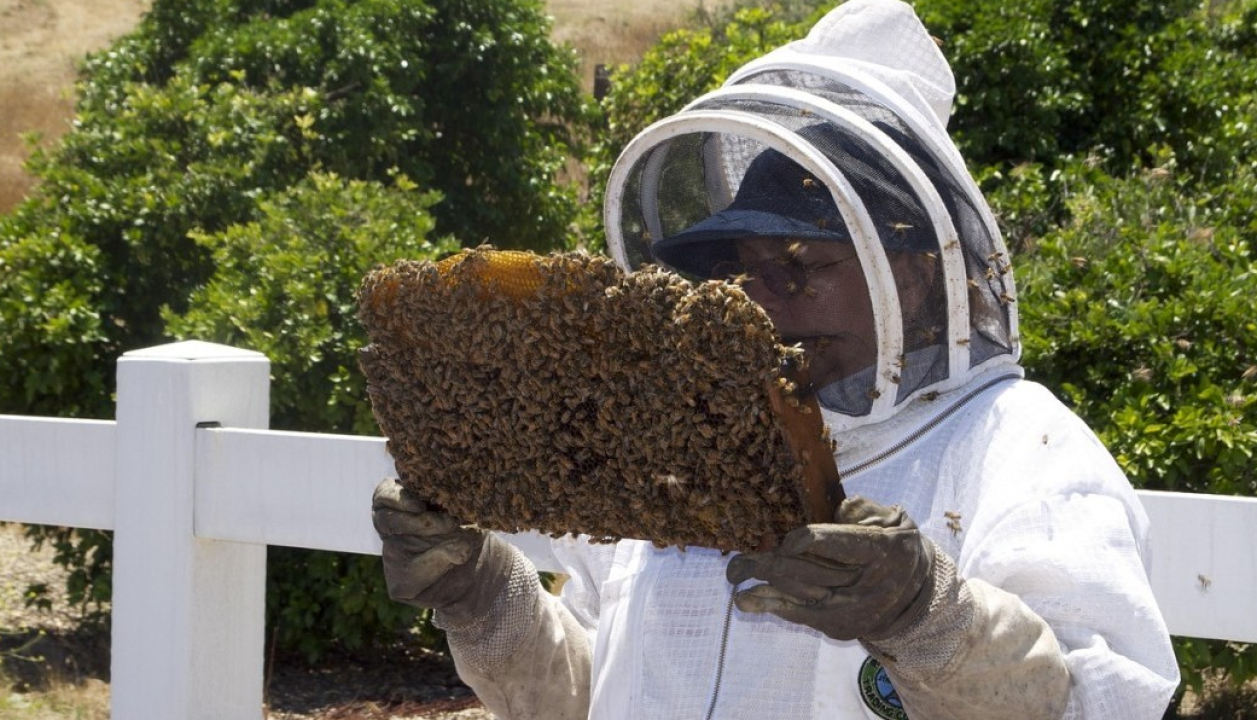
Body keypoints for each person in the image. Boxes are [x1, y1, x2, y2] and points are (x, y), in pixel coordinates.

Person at [370, 0, 1181, 718]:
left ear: (908, 274)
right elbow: (586, 692)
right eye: (744, 270)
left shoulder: (1021, 452)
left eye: (801, 265)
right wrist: (482, 595)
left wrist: (926, 616)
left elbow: (1100, 702)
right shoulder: (674, 448)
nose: (763, 299)